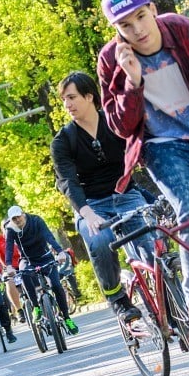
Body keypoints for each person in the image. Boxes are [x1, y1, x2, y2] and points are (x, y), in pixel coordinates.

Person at [97, 0, 189, 343]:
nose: (137, 29)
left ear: (152, 9)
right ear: (117, 30)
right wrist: (133, 80)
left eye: (141, 17)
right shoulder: (111, 60)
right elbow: (121, 126)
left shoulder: (182, 30)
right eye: (126, 25)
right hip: (161, 145)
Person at [51, 70, 155, 325]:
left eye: (72, 97)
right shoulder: (63, 141)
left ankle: (166, 299)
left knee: (153, 247)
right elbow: (67, 182)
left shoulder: (115, 123)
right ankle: (117, 298)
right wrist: (86, 214)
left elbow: (142, 151)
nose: (67, 104)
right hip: (92, 205)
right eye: (64, 99)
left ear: (89, 97)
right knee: (100, 241)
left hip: (127, 196)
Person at [4, 206, 79, 334]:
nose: (17, 220)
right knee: (24, 274)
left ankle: (67, 318)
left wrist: (60, 252)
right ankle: (36, 307)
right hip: (27, 260)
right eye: (14, 219)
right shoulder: (11, 229)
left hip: (45, 257)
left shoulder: (36, 220)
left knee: (56, 286)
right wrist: (9, 265)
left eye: (18, 217)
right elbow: (9, 248)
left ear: (23, 214)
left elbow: (48, 236)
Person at [0, 220, 25, 322]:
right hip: (10, 269)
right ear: (2, 229)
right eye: (6, 227)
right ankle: (19, 310)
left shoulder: (23, 235)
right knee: (9, 281)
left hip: (26, 265)